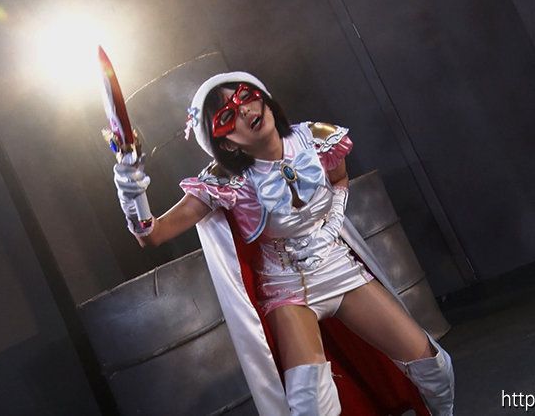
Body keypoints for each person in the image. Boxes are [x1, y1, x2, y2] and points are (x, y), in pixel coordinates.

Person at [112, 71, 454, 415]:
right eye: (227, 116)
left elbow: (339, 179)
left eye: (245, 97)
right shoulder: (226, 182)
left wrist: (333, 222)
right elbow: (151, 234)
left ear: (263, 97)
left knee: (434, 366)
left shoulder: (316, 138)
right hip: (288, 289)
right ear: (227, 144)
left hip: (338, 267)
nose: (244, 111)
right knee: (311, 404)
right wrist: (129, 182)